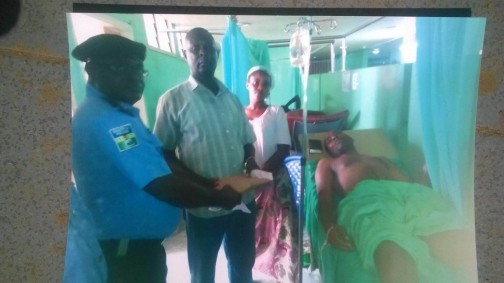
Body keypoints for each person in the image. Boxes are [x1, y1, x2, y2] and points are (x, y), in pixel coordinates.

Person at [71, 34, 242, 283]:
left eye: (138, 69)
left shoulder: (122, 114)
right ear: (92, 69)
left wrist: (206, 184)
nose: (134, 78)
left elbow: (160, 158)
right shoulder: (107, 121)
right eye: (120, 68)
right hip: (127, 256)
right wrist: (215, 197)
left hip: (138, 250)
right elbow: (161, 183)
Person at [153, 28, 258, 283]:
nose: (203, 53)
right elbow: (164, 152)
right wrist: (203, 185)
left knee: (243, 267)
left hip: (241, 203)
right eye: (195, 48)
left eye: (208, 47)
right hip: (203, 206)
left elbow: (247, 141)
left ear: (216, 53)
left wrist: (251, 163)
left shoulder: (231, 98)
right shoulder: (172, 101)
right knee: (203, 273)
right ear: (184, 53)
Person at [314, 131, 475, 283]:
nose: (333, 138)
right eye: (329, 140)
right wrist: (329, 225)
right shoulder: (328, 163)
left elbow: (408, 184)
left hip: (407, 196)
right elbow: (323, 196)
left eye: (337, 135)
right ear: (328, 150)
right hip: (369, 200)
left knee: (448, 233)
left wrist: (424, 178)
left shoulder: (381, 159)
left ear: (351, 139)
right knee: (390, 247)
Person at [244, 66, 297, 282]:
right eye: (256, 82)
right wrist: (251, 177)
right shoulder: (239, 113)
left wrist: (262, 176)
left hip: (274, 181)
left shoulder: (276, 112)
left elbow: (283, 148)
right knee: (248, 236)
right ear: (248, 85)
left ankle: (282, 276)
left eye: (265, 84)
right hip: (247, 183)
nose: (260, 87)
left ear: (269, 90)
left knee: (281, 232)